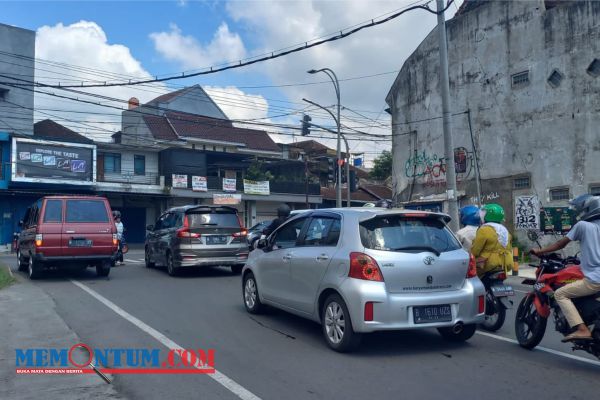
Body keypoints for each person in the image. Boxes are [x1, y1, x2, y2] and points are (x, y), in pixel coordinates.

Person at [530, 194, 600, 342]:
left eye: (581, 210)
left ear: (588, 209)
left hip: (595, 279)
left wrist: (539, 251)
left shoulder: (583, 226)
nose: (579, 213)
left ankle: (582, 329)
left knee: (560, 294)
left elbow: (561, 244)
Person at [471, 203, 513, 278]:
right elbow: (509, 248)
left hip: (489, 264)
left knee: (472, 278)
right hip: (506, 263)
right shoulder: (505, 230)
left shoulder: (484, 229)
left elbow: (475, 250)